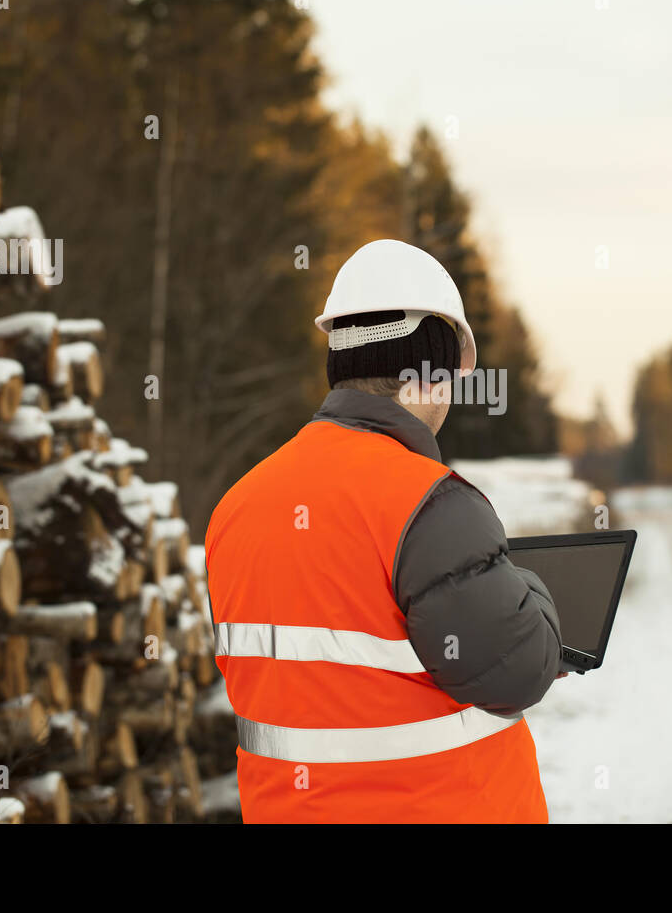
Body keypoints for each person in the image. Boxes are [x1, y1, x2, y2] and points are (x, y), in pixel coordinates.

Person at [204, 238, 563, 823]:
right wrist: (531, 592)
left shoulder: (238, 506)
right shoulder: (431, 502)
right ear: (431, 374)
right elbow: (520, 670)